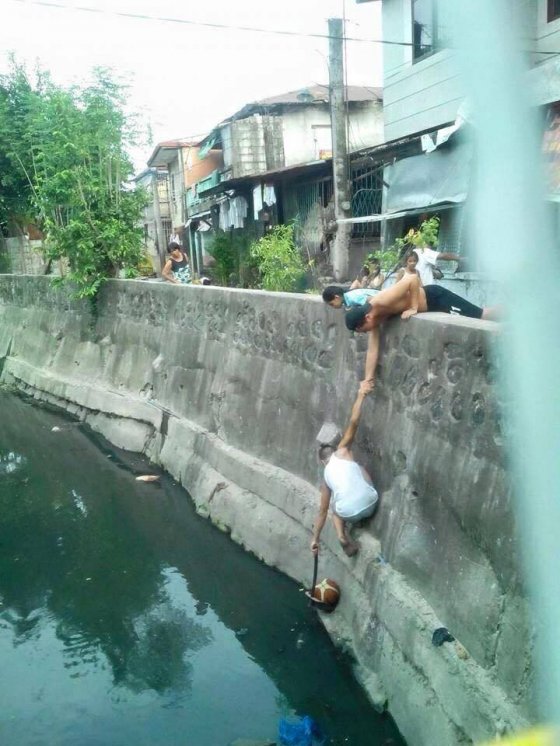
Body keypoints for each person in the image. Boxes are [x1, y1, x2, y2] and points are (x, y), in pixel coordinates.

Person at [342, 274, 499, 386]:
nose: (367, 332)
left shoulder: (381, 301)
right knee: (481, 315)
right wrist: (368, 379)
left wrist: (413, 307)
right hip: (432, 305)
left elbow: (411, 278)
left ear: (366, 319)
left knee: (481, 316)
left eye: (364, 330)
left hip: (436, 297)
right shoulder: (374, 319)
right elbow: (372, 350)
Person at [311, 381, 378, 558]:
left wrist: (315, 540)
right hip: (371, 504)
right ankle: (363, 494)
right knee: (358, 467)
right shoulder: (343, 451)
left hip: (350, 515)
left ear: (323, 461)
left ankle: (342, 536)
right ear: (334, 450)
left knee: (334, 509)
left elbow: (322, 513)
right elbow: (354, 422)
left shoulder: (326, 477)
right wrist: (361, 395)